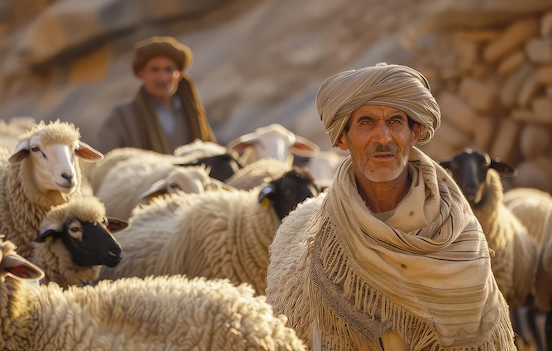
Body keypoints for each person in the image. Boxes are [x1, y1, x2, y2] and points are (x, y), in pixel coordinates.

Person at [265, 63, 517, 350]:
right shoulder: (327, 251)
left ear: (415, 132)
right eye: (366, 122)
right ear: (342, 138)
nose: (383, 138)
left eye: (396, 121)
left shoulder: (460, 233)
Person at [97, 36, 216, 154]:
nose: (162, 78)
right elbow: (110, 162)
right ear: (142, 74)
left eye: (169, 70)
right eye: (155, 70)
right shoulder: (122, 116)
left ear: (179, 75)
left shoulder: (194, 113)